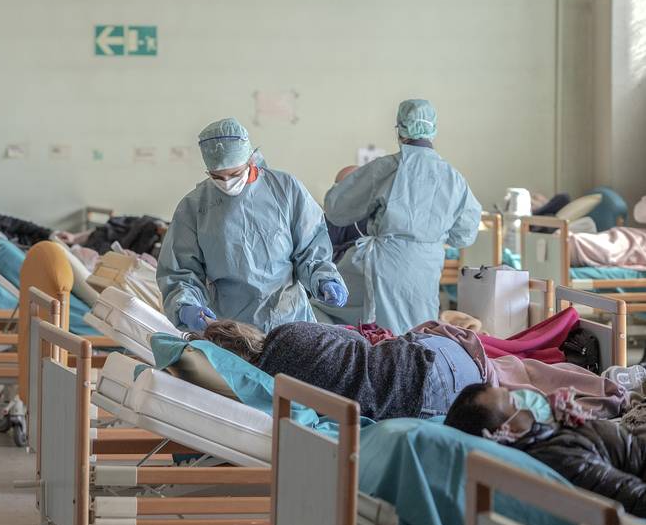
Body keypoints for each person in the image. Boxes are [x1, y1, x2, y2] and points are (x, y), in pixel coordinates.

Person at [157, 117, 347, 334]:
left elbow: (310, 248)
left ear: (250, 160)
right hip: (231, 327)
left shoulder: (285, 190)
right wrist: (186, 306)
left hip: (290, 317)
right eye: (217, 176)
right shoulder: (194, 207)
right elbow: (180, 272)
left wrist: (323, 279)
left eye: (235, 174)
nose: (227, 182)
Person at [324, 99, 482, 334]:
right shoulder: (454, 179)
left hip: (383, 261)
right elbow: (464, 236)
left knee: (323, 307)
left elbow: (336, 208)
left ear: (400, 130)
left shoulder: (386, 168)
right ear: (433, 130)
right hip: (426, 268)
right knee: (417, 330)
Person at [198, 319, 481, 420]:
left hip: (433, 400)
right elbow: (357, 340)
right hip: (446, 355)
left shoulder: (269, 392)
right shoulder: (288, 331)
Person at [445, 383, 646, 518]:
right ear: (508, 430)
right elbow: (635, 497)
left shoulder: (545, 434)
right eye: (513, 401)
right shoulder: (561, 458)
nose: (522, 397)